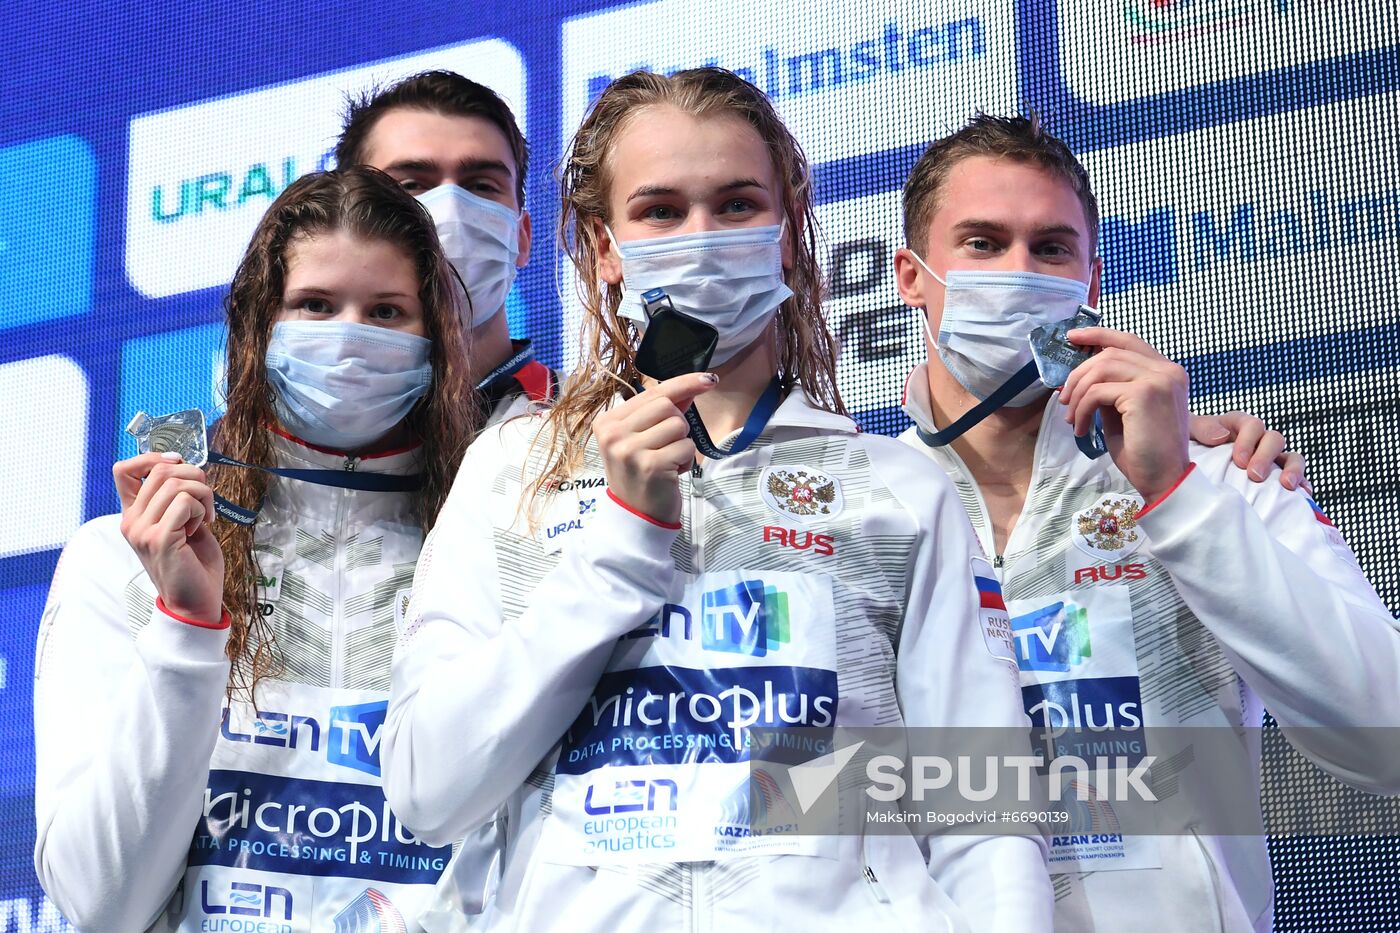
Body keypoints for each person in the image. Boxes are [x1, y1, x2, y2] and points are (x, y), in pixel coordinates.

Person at [382, 68, 1052, 932]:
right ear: (605, 245)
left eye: (737, 205)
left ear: (787, 231)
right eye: (661, 211)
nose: (701, 238)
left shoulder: (899, 486)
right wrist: (619, 546)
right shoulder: (511, 467)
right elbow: (429, 791)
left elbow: (985, 817)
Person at [892, 112, 1400, 932]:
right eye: (983, 244)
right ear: (911, 277)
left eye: (1051, 248)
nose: (1019, 272)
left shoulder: (1218, 476)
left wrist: (1175, 495)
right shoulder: (867, 510)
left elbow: (1388, 739)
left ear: (1090, 279)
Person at [33, 167, 476, 931]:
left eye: (386, 311)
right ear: (255, 329)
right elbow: (100, 901)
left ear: (433, 339)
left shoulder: (485, 549)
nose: (349, 339)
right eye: (315, 305)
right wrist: (185, 626)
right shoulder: (121, 558)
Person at [337, 70, 557, 425]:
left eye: (481, 186)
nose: (451, 209)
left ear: (522, 237)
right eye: (411, 185)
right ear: (344, 227)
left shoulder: (599, 429)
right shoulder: (254, 447)